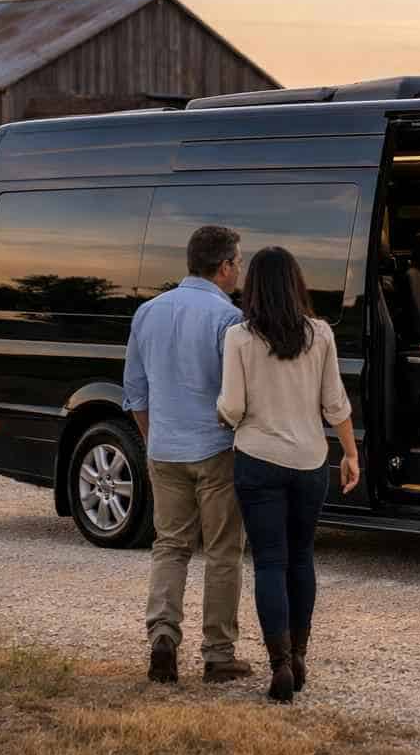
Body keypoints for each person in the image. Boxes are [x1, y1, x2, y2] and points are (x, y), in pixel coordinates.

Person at [216, 246, 361, 703]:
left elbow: (233, 406)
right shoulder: (320, 334)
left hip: (257, 461)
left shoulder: (239, 337)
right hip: (310, 462)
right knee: (302, 559)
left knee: (270, 562)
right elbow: (335, 403)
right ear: (296, 283)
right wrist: (352, 453)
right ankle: (300, 656)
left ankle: (278, 664)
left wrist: (222, 414)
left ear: (253, 286)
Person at [122, 225, 251, 685]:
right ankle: (218, 654)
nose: (240, 271)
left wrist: (156, 437)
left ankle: (162, 640)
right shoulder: (228, 319)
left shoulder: (147, 312)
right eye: (238, 262)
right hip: (216, 450)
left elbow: (135, 393)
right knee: (222, 552)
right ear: (224, 266)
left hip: (165, 448)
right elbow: (237, 393)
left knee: (170, 547)